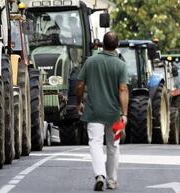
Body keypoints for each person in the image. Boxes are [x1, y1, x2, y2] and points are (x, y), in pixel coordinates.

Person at [76, 31, 129, 191]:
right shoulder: (121, 65)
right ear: (117, 46)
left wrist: (79, 103)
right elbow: (123, 89)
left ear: (101, 45)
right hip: (115, 115)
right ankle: (112, 180)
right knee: (113, 146)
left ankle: (99, 174)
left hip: (94, 113)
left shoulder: (90, 61)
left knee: (95, 144)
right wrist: (124, 114)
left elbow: (80, 85)